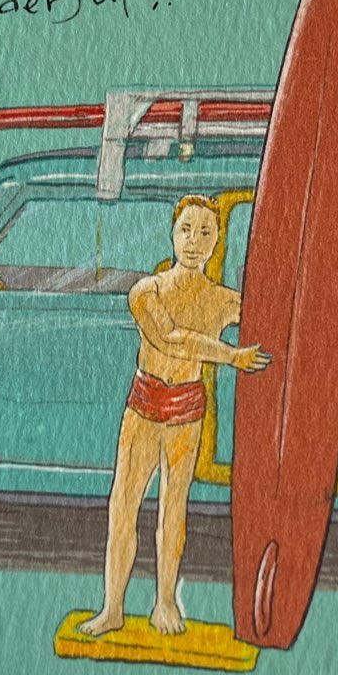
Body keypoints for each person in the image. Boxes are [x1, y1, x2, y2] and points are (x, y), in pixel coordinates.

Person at [81, 196, 270, 637]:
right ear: (172, 232)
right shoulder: (146, 292)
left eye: (205, 232)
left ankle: (165, 602)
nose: (193, 241)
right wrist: (231, 356)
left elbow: (274, 311)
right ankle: (112, 608)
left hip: (187, 409)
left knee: (173, 508)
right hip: (145, 406)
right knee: (123, 507)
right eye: (186, 229)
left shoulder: (223, 301)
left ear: (217, 241)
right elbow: (171, 339)